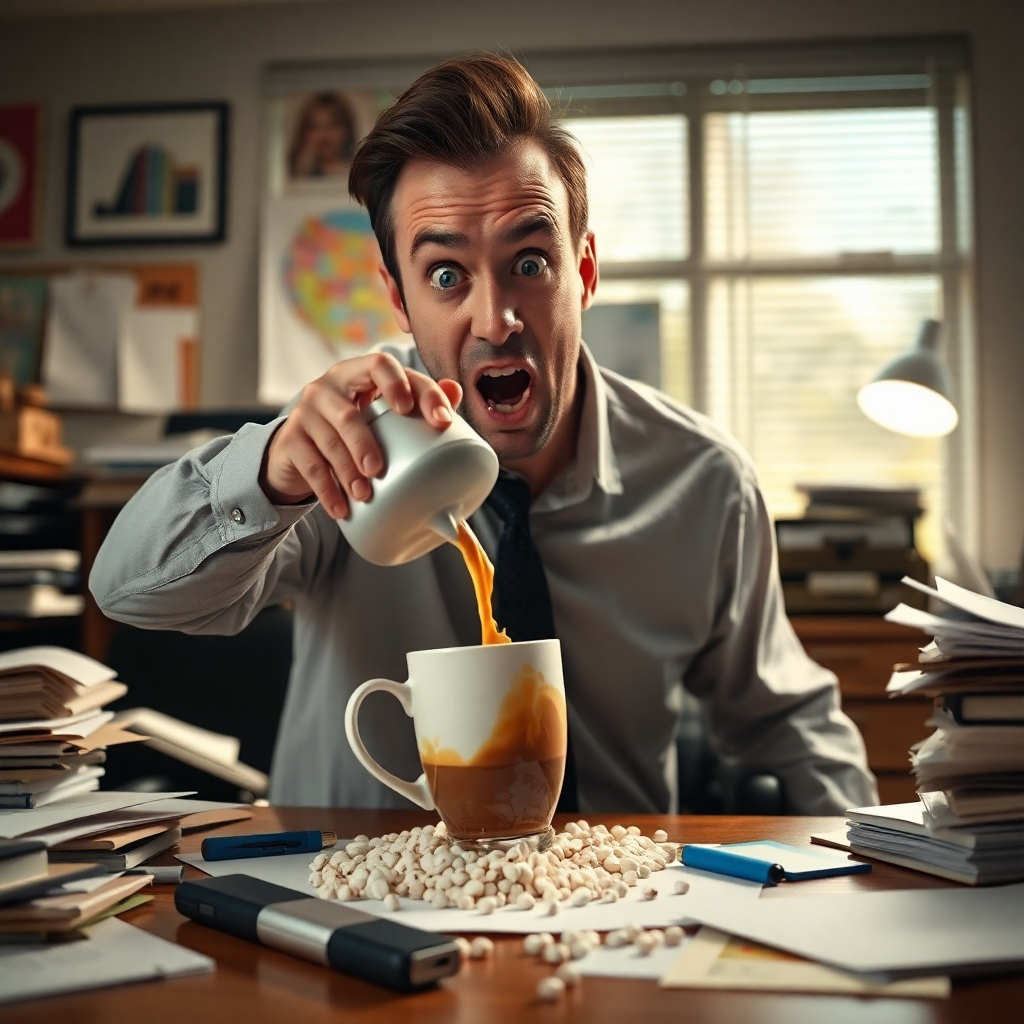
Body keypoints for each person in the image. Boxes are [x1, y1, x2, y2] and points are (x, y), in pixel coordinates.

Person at [91, 55, 876, 815]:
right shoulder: (346, 454)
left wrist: (874, 879)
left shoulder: (703, 483)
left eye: (530, 262)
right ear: (398, 301)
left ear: (586, 272)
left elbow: (785, 722)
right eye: (446, 275)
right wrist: (267, 473)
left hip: (614, 908)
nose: (495, 319)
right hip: (354, 910)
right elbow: (126, 593)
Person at [288, 91, 357, 180]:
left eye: (332, 125)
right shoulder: (290, 172)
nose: (324, 135)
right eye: (315, 127)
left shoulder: (358, 172)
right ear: (304, 132)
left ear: (347, 129)